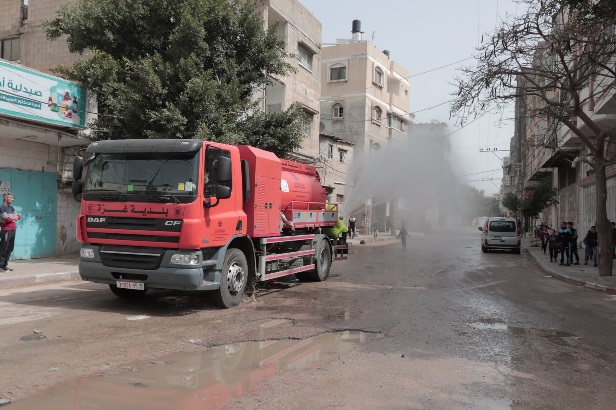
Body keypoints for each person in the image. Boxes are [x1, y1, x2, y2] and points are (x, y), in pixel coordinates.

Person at [0, 192, 21, 272]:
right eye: (11, 197)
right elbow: (7, 219)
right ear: (6, 198)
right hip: (6, 230)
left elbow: (19, 216)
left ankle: (4, 265)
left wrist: (13, 217)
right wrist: (13, 218)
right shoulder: (1, 207)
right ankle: (0, 266)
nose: (13, 199)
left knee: (10, 248)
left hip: (13, 229)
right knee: (3, 248)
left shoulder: (11, 208)